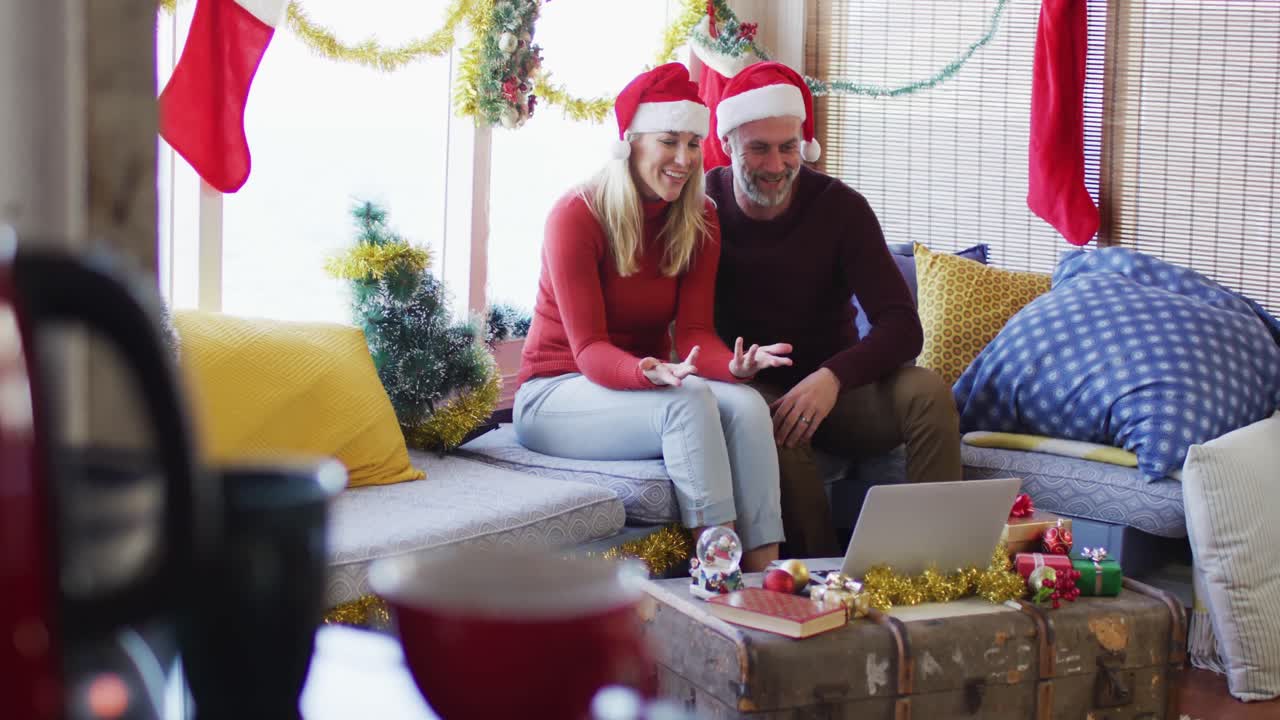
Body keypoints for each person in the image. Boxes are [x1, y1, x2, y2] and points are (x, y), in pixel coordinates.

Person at [514, 63, 792, 572]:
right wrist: (646, 371)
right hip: (554, 392)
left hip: (637, 380)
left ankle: (766, 580)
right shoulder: (576, 214)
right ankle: (721, 576)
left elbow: (693, 335)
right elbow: (589, 351)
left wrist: (733, 369)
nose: (685, 159)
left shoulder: (698, 215)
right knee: (684, 403)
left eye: (692, 143)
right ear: (631, 143)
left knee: (748, 406)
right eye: (670, 141)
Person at [705, 62, 962, 558]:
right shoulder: (702, 208)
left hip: (841, 391)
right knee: (767, 423)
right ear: (730, 145)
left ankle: (937, 567)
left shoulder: (840, 207)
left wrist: (832, 377)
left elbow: (903, 327)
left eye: (788, 147)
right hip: (754, 393)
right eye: (759, 148)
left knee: (928, 390)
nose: (777, 164)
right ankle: (822, 589)